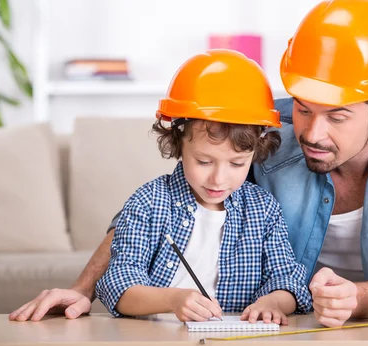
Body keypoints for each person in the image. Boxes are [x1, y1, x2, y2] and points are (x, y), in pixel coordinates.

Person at [10, 0, 368, 327]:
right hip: (303, 325)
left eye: (337, 116)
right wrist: (83, 287)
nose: (311, 132)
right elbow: (157, 209)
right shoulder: (266, 125)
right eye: (304, 107)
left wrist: (356, 299)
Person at [100, 49, 311, 323]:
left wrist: (273, 302)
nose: (218, 179)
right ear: (178, 142)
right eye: (203, 161)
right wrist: (172, 299)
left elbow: (288, 279)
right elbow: (118, 283)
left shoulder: (264, 210)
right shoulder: (149, 202)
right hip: (155, 343)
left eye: (236, 164)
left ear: (256, 150)